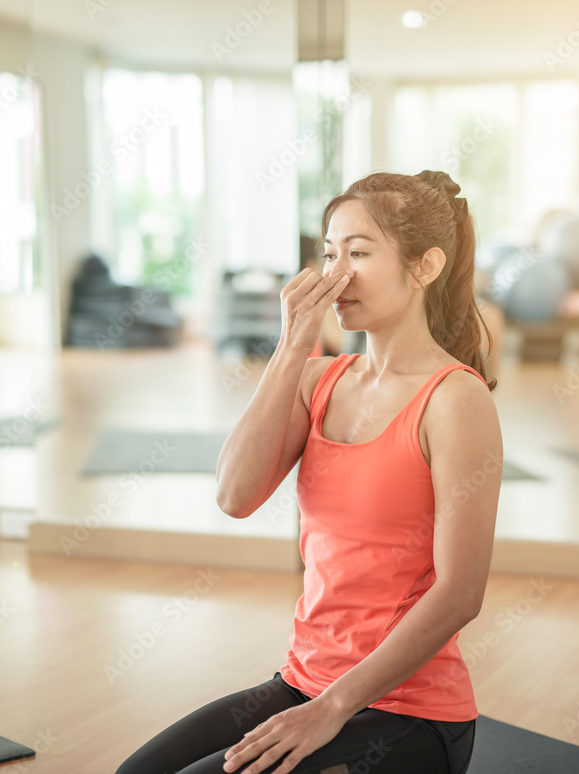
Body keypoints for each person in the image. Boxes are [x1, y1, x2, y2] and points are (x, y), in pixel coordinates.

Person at [115, 170, 502, 774]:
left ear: (425, 266)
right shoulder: (318, 380)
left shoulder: (455, 400)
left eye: (359, 252)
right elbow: (234, 496)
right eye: (328, 254)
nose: (335, 274)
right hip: (303, 681)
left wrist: (333, 708)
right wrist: (292, 345)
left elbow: (460, 594)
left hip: (407, 713)